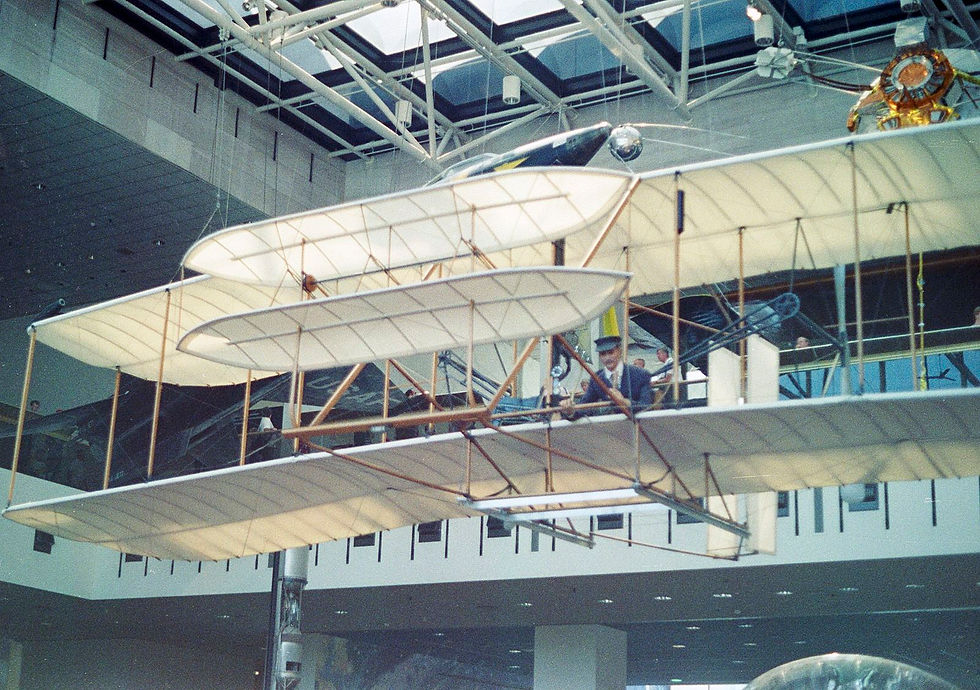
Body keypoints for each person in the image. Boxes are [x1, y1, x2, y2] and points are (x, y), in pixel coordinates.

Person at [560, 336, 653, 416]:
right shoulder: (596, 379)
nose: (607, 357)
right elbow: (584, 407)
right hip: (611, 428)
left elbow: (647, 406)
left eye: (611, 352)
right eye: (603, 354)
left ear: (620, 351)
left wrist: (624, 402)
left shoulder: (641, 374)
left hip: (638, 426)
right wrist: (571, 411)